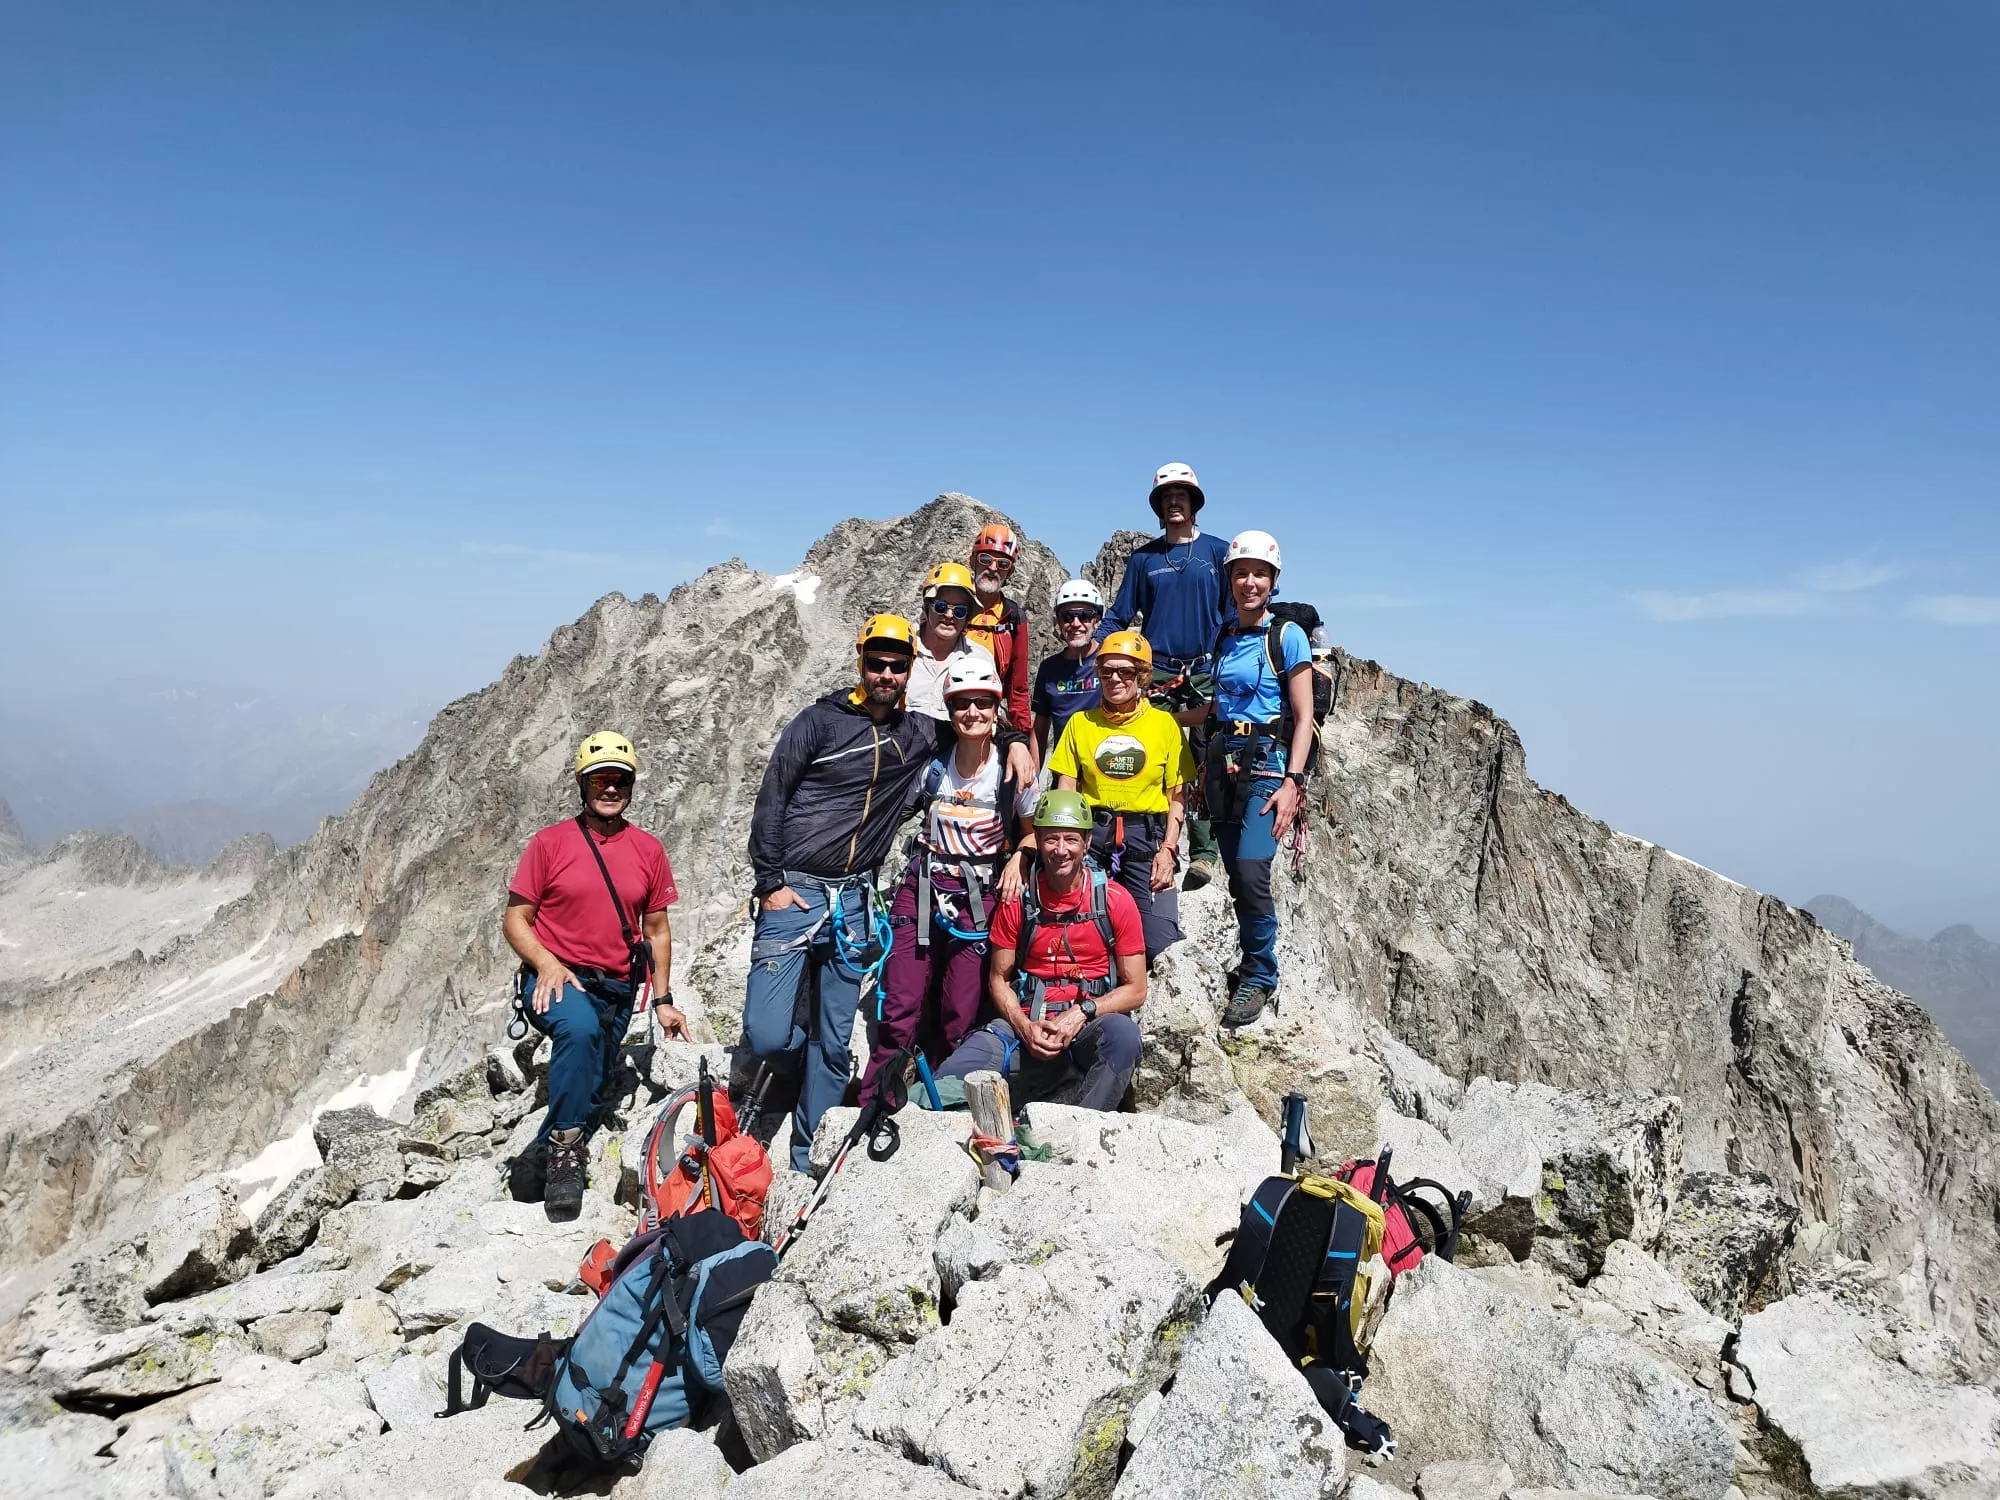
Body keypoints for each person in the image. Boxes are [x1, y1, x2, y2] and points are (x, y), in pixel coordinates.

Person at [744, 615, 1034, 1170]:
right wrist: (771, 883)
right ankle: (824, 1077)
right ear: (861, 662)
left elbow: (976, 721)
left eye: (897, 665)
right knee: (766, 1034)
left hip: (855, 897)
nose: (886, 673)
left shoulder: (920, 731)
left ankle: (817, 1150)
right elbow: (773, 796)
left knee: (837, 1041)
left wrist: (1018, 738)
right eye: (876, 663)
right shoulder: (818, 722)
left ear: (908, 672)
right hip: (797, 891)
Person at [504, 731, 689, 1219]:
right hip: (556, 976)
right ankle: (564, 1158)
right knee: (580, 1031)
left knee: (595, 1082)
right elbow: (515, 920)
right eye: (601, 779)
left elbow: (657, 931)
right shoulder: (549, 844)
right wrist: (546, 963)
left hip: (617, 984)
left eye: (620, 780)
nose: (611, 789)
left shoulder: (648, 850)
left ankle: (546, 1152)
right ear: (583, 784)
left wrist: (663, 1000)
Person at [864, 656, 1037, 1099]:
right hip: (921, 889)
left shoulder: (1012, 771)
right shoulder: (932, 766)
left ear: (995, 707)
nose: (973, 713)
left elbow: (1036, 833)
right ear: (950, 709)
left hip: (978, 898)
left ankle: (938, 1096)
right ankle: (875, 1101)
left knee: (959, 1013)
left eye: (982, 703)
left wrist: (1019, 857)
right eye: (962, 704)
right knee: (900, 1003)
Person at [934, 789, 1146, 1111]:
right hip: (1025, 1021)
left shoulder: (1115, 900)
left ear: (1087, 843)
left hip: (1086, 1024)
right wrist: (1024, 1026)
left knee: (1124, 1038)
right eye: (1051, 839)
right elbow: (998, 979)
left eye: (1071, 840)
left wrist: (1081, 1012)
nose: (1061, 850)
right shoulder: (1017, 900)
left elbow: (1136, 989)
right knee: (950, 1078)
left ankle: (1078, 1131)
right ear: (1039, 841)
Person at [1201, 530, 1315, 1028]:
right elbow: (1215, 708)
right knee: (1236, 874)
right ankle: (1252, 958)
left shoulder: (1286, 636)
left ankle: (1261, 973)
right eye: (1241, 573)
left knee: (1251, 869)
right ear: (1230, 579)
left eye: (1259, 574)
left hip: (1268, 763)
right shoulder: (1226, 636)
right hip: (1224, 760)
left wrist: (1293, 781)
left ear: (1272, 581)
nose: (1250, 582)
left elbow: (1303, 713)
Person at [1102, 463, 1231, 888]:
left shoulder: (1217, 552)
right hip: (1155, 670)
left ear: (1194, 503)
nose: (1174, 501)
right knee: (1153, 759)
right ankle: (1159, 843)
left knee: (1206, 757)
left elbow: (1232, 616)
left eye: (1182, 495)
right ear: (1159, 507)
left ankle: (1205, 850)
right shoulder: (1144, 560)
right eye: (1167, 496)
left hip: (1205, 668)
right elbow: (1121, 615)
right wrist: (1091, 651)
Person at [1045, 629, 1191, 962]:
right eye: (1106, 671)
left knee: (1160, 944)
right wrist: (1067, 844)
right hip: (1092, 836)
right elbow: (1066, 788)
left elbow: (1177, 796)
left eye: (1125, 671)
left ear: (1141, 676)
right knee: (1083, 935)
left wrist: (1168, 850)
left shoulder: (1165, 725)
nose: (1114, 678)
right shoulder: (1080, 724)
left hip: (1147, 839)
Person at [962, 523, 1035, 747]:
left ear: (1010, 572)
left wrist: (1021, 737)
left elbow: (1018, 688)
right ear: (973, 561)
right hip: (947, 713)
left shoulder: (1014, 618)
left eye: (1002, 563)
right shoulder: (953, 608)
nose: (993, 568)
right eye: (986, 560)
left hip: (988, 716)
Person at [907, 562, 1000, 722]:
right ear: (927, 606)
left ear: (968, 616)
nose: (949, 615)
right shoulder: (901, 645)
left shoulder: (980, 659)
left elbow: (992, 719)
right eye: (941, 607)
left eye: (959, 611)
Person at [1032, 578, 1105, 757]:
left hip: (1105, 769)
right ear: (1058, 621)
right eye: (1067, 617)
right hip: (1065, 771)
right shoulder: (1049, 669)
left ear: (1096, 619)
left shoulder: (1110, 660)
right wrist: (1032, 781)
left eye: (1085, 616)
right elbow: (1040, 731)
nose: (1075, 623)